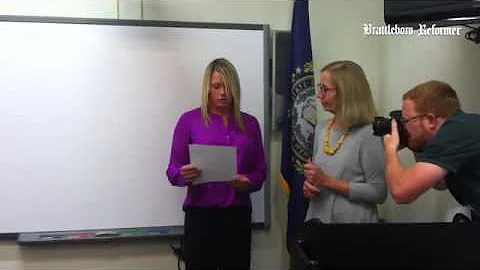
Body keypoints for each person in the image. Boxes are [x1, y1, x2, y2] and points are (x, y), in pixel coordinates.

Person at [166, 58, 267, 270]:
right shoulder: (189, 121)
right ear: (207, 88)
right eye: (217, 86)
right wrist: (185, 174)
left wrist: (247, 182)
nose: (223, 93)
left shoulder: (250, 124)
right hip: (201, 217)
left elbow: (260, 172)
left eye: (228, 87)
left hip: (237, 216)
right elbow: (173, 171)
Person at [303, 60, 387, 223]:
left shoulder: (369, 133)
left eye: (325, 89)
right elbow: (318, 179)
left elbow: (379, 192)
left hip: (352, 230)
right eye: (320, 88)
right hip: (318, 221)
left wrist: (327, 181)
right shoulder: (321, 128)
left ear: (346, 92)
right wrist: (309, 186)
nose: (319, 95)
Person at [383, 80, 480, 221]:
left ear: (430, 120)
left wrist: (390, 150)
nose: (404, 127)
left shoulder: (453, 134)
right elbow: (440, 183)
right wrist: (414, 145)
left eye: (406, 121)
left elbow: (401, 192)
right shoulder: (462, 126)